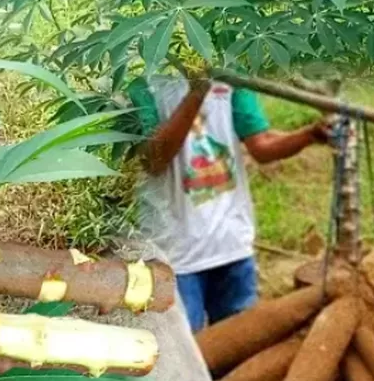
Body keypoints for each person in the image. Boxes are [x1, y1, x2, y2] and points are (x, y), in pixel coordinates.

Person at [128, 70, 330, 334]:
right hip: (175, 253)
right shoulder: (141, 79)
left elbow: (262, 144)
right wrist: (198, 91)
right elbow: (154, 159)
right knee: (187, 355)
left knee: (237, 345)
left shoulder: (231, 75)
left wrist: (309, 135)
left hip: (232, 244)